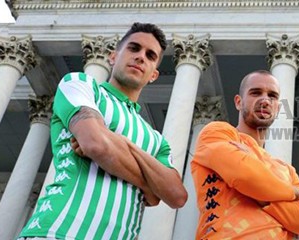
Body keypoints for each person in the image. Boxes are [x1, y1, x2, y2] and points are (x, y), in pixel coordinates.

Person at [18, 22, 187, 240]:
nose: (141, 57)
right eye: (133, 48)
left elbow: (177, 195)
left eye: (150, 55)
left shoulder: (156, 140)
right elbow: (96, 144)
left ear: (154, 74)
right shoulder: (81, 85)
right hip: (56, 232)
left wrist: (121, 143)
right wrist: (150, 186)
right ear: (113, 56)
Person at [190, 70, 299, 239]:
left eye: (272, 96)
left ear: (278, 108)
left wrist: (263, 197)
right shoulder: (217, 133)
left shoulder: (286, 170)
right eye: (256, 93)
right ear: (238, 102)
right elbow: (245, 176)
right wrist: (294, 193)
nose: (265, 100)